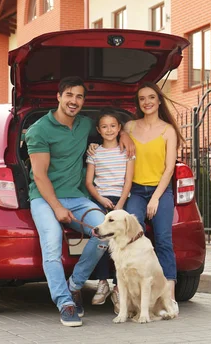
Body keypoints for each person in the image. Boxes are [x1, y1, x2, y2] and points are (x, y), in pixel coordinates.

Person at [25, 76, 134, 327]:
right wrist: (57, 208)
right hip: (44, 199)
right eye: (69, 95)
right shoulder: (39, 130)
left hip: (77, 197)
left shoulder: (85, 124)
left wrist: (125, 135)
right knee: (51, 247)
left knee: (107, 233)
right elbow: (39, 176)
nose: (74, 101)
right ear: (59, 97)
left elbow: (114, 124)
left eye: (79, 97)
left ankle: (75, 284)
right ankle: (65, 302)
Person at [123, 81, 184, 314]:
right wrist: (122, 136)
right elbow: (115, 135)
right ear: (138, 103)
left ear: (159, 100)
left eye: (151, 97)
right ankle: (128, 293)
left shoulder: (168, 130)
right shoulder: (129, 126)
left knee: (163, 239)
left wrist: (156, 198)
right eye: (142, 99)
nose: (147, 102)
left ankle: (169, 297)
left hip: (160, 191)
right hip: (136, 191)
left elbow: (169, 169)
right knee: (131, 237)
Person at [85, 108, 134, 312]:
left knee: (122, 243)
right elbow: (89, 182)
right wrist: (101, 199)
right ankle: (102, 282)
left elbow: (128, 181)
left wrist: (121, 204)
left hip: (121, 201)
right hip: (101, 199)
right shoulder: (95, 153)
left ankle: (118, 287)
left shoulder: (127, 152)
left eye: (113, 126)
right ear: (98, 129)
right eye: (104, 127)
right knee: (101, 241)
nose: (109, 130)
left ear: (119, 128)